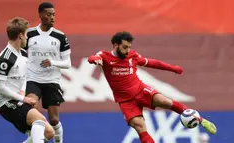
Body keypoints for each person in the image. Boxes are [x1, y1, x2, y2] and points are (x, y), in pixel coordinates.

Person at [88, 31, 217, 143]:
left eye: (129, 47)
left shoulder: (132, 55)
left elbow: (152, 63)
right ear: (115, 45)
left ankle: (200, 120)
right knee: (139, 126)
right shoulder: (104, 56)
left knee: (164, 101)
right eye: (124, 47)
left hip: (140, 90)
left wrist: (173, 68)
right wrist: (95, 60)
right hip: (125, 101)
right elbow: (92, 58)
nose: (127, 50)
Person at [0, 17, 55, 143]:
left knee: (49, 132)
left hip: (18, 100)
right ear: (20, 35)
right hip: (6, 103)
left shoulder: (23, 54)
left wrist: (22, 91)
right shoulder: (5, 58)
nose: (27, 37)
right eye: (26, 34)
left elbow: (25, 76)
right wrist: (23, 98)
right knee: (38, 121)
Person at [23, 2, 71, 143]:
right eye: (48, 14)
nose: (52, 18)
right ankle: (36, 139)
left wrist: (53, 62)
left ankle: (58, 141)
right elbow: (20, 53)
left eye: (54, 15)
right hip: (33, 79)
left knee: (54, 120)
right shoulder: (30, 34)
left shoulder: (60, 37)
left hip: (52, 80)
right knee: (32, 110)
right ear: (40, 15)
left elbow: (67, 63)